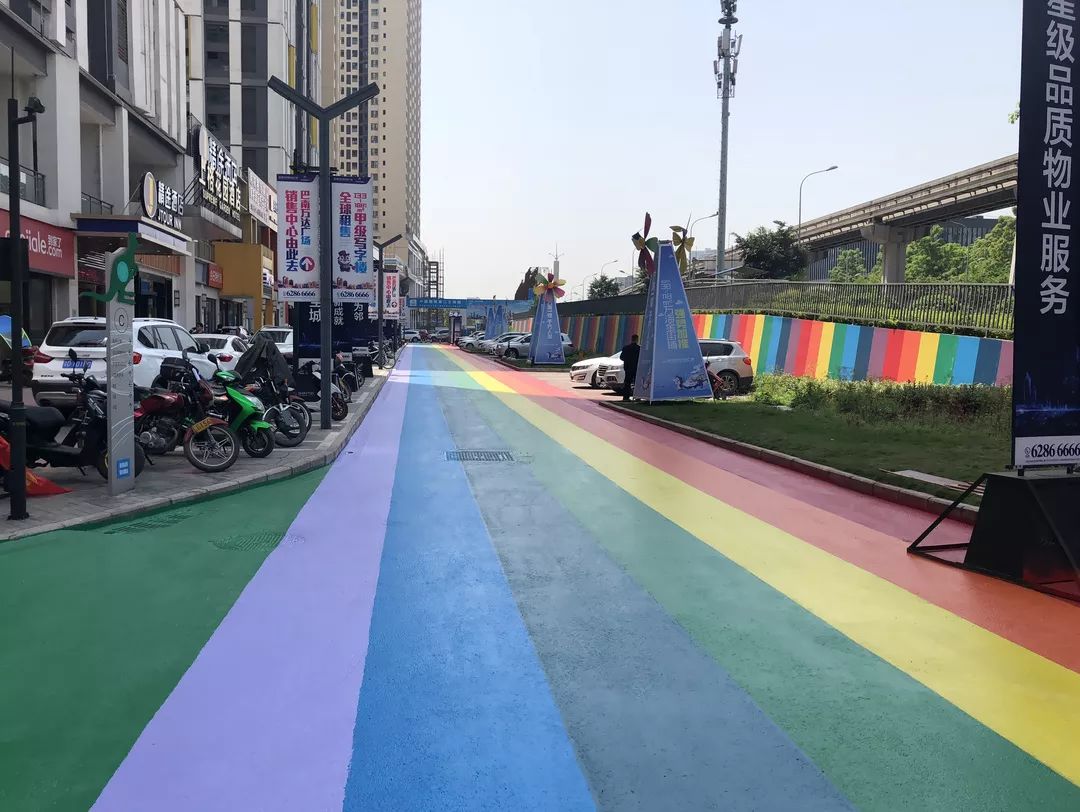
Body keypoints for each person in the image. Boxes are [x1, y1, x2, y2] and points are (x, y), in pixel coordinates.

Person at [620, 334, 640, 401]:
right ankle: (637, 397)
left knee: (627, 383)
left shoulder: (626, 348)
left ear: (631, 339)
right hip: (636, 368)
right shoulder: (639, 348)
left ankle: (626, 397)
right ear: (637, 340)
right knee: (637, 383)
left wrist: (627, 360)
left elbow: (621, 357)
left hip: (628, 368)